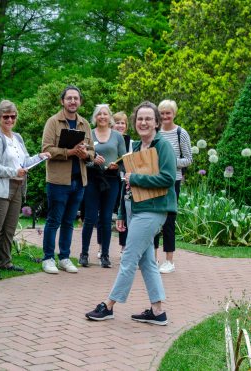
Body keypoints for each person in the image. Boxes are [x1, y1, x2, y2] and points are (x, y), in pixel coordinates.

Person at [85, 101, 176, 325]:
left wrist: (135, 178)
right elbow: (128, 186)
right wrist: (122, 214)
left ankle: (109, 305)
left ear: (156, 122)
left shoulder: (162, 146)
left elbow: (167, 178)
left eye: (148, 118)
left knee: (128, 258)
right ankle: (157, 311)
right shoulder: (135, 148)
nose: (143, 122)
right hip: (135, 208)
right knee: (146, 262)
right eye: (140, 119)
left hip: (154, 210)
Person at [0, 100, 50, 278]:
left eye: (13, 116)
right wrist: (14, 172)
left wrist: (39, 157)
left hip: (17, 188)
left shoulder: (17, 137)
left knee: (9, 229)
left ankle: (5, 261)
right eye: (6, 117)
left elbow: (24, 161)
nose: (10, 120)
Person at [41, 85, 95, 274]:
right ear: (62, 101)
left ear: (80, 101)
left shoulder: (85, 124)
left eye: (76, 98)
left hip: (79, 180)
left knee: (69, 221)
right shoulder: (53, 122)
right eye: (69, 98)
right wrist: (69, 152)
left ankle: (64, 257)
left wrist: (83, 154)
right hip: (58, 181)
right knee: (54, 220)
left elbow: (92, 153)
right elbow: (46, 149)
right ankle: (48, 258)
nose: (73, 101)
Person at [79, 104, 126, 268]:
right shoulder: (88, 134)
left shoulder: (117, 136)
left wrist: (116, 166)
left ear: (110, 117)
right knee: (90, 217)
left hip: (111, 179)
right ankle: (84, 254)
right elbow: (82, 159)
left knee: (106, 219)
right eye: (99, 114)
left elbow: (124, 159)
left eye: (105, 114)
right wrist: (93, 160)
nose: (102, 117)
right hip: (93, 178)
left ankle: (105, 255)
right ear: (95, 117)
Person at [153, 99, 192, 274]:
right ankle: (152, 258)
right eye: (162, 113)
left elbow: (188, 160)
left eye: (168, 113)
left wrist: (169, 162)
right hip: (153, 180)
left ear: (174, 114)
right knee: (153, 219)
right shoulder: (155, 132)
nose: (165, 116)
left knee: (169, 220)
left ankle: (169, 261)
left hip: (172, 181)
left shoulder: (180, 133)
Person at [113, 111, 132, 257]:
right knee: (116, 215)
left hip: (126, 180)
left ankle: (125, 248)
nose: (120, 125)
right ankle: (103, 249)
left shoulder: (131, 142)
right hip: (111, 180)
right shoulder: (109, 140)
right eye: (117, 122)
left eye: (123, 123)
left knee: (125, 213)